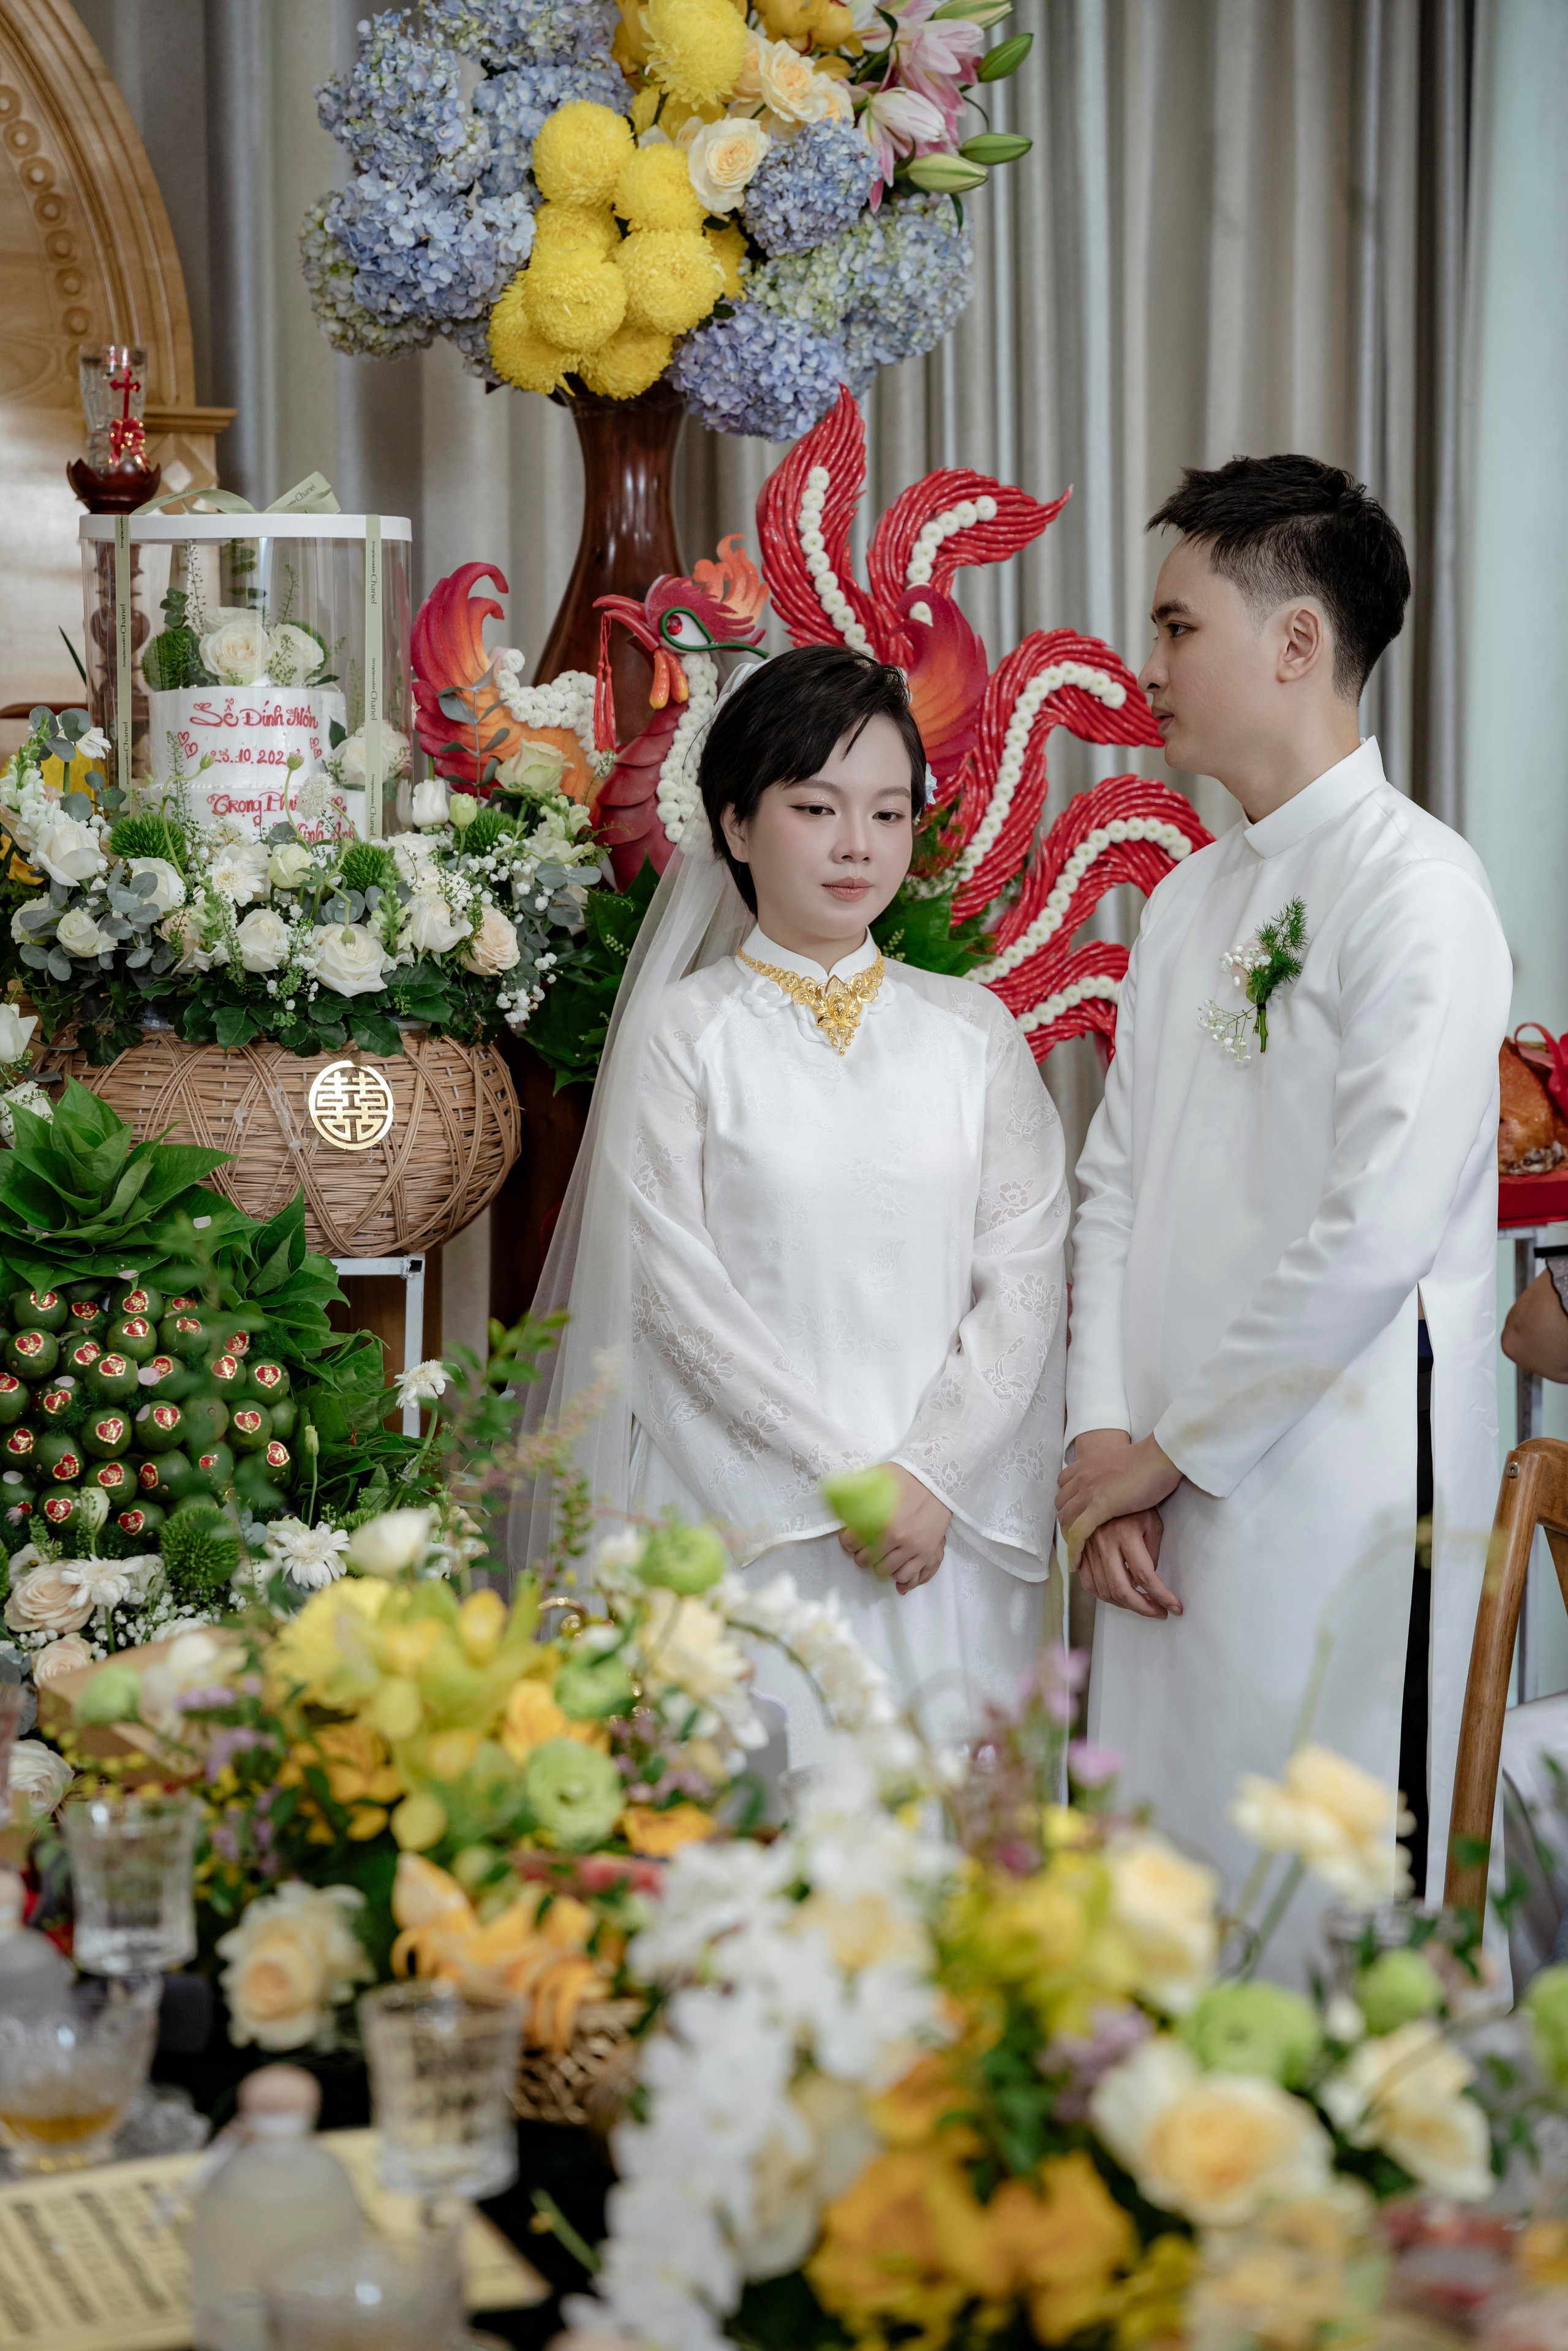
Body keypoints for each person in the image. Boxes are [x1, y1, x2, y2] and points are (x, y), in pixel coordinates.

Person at [1056, 456, 1512, 1971]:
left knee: (1317, 1907)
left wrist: (1160, 1458)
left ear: (1297, 643)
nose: (1150, 663)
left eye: (1177, 626)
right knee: (1156, 1907)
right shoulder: (1188, 901)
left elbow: (1373, 1231)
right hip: (1156, 1492)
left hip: (1333, 1494)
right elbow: (1110, 1179)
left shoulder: (1419, 892)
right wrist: (1096, 1440)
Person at [526, 644, 1069, 1767]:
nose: (857, 843)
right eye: (816, 806)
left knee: (962, 1897)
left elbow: (1026, 1274)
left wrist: (923, 1477)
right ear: (735, 824)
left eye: (887, 810)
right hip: (748, 1527)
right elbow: (675, 1299)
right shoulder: (684, 1037)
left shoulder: (972, 1033)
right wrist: (847, 1485)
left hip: (944, 1531)